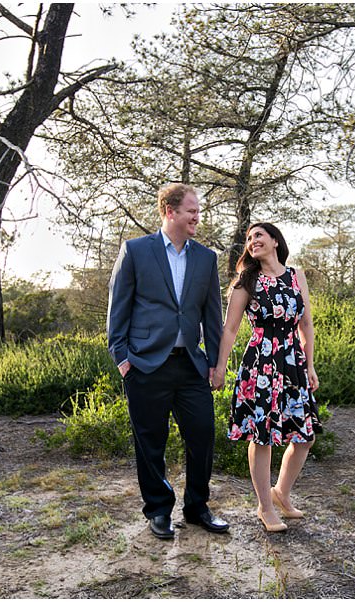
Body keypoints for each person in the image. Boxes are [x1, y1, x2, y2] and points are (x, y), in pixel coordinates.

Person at [107, 183, 229, 540]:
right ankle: (158, 510)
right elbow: (119, 309)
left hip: (191, 365)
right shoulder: (135, 251)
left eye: (198, 211)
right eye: (192, 210)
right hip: (146, 365)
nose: (197, 217)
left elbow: (212, 316)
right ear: (169, 211)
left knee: (203, 434)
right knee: (150, 441)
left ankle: (196, 507)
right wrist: (123, 359)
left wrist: (217, 364)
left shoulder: (206, 258)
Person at [210, 222, 321, 532]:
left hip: (293, 364)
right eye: (248, 238)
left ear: (275, 240)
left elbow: (306, 325)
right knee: (263, 437)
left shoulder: (296, 275)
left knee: (305, 437)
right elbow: (229, 329)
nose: (252, 240)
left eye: (258, 235)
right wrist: (220, 368)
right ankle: (265, 505)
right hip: (261, 363)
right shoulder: (247, 281)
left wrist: (310, 366)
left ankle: (281, 493)